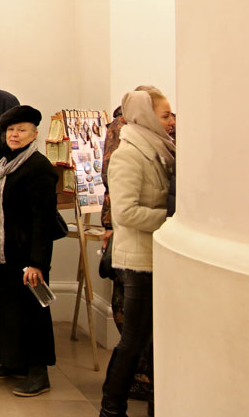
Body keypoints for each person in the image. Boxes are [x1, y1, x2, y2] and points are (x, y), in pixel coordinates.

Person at [0, 105, 59, 397]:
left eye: (22, 130)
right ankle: (13, 362)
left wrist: (37, 263)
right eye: (11, 130)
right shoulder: (4, 163)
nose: (15, 135)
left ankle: (38, 373)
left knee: (33, 313)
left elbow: (43, 220)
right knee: (7, 312)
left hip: (26, 256)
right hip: (2, 253)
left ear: (34, 133)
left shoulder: (39, 167)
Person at [100, 89, 175, 417]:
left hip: (156, 258)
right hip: (139, 262)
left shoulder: (159, 148)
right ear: (146, 117)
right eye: (165, 115)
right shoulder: (129, 155)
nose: (171, 121)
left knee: (152, 340)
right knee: (133, 341)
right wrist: (172, 220)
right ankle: (111, 408)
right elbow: (126, 213)